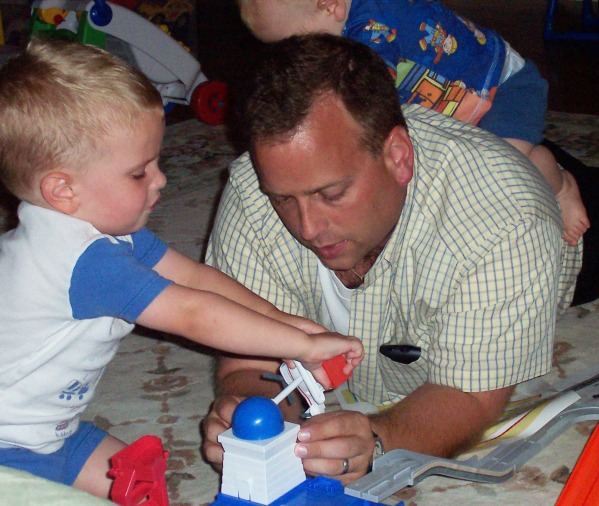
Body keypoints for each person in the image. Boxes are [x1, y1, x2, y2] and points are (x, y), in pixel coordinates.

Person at [201, 34, 599, 484]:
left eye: (331, 193)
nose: (306, 226)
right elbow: (247, 358)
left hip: (553, 227)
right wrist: (252, 410)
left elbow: (471, 394)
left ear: (397, 156)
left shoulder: (505, 221)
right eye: (284, 199)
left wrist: (376, 438)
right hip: (470, 170)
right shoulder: (253, 189)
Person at [0, 37, 364, 499]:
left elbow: (196, 278)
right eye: (139, 173)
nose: (161, 180)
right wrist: (302, 346)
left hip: (50, 435)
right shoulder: (80, 261)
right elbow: (194, 313)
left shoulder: (104, 235)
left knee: (145, 486)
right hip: (7, 444)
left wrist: (290, 326)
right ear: (62, 190)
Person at [234, 0, 590, 246]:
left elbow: (365, 96)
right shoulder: (348, 16)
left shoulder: (372, 30)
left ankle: (556, 182)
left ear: (331, 5)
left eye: (298, 42)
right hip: (454, 105)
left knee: (499, 168)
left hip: (501, 88)